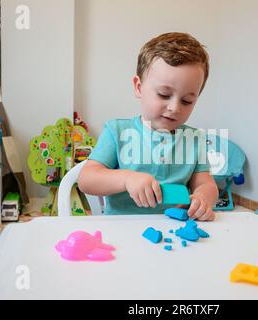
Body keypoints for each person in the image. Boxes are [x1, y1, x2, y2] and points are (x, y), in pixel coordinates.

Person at [78, 32, 218, 221]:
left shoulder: (195, 139)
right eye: (163, 94)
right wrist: (127, 179)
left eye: (187, 101)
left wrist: (203, 197)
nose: (174, 108)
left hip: (174, 230)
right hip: (122, 229)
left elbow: (206, 184)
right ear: (138, 87)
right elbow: (87, 180)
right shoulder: (117, 131)